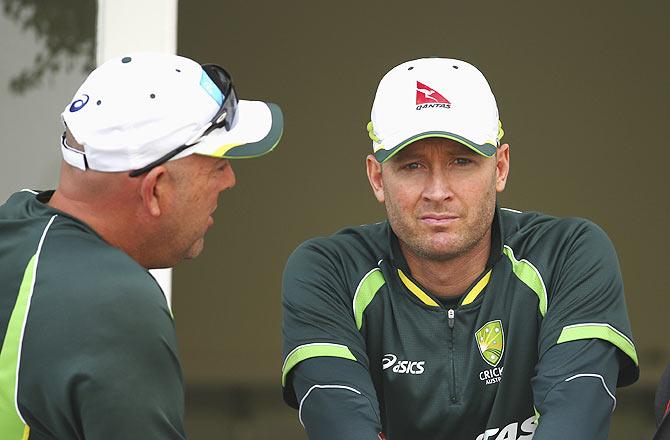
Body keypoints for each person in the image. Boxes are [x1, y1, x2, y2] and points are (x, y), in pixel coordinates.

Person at [281, 57, 638, 440]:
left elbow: (576, 416)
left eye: (462, 161)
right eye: (412, 166)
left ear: (500, 168)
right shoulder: (329, 271)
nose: (438, 191)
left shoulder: (568, 254)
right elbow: (340, 423)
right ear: (376, 177)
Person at [0, 52, 283, 439]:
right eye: (217, 164)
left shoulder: (14, 223)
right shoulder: (114, 304)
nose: (229, 180)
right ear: (155, 190)